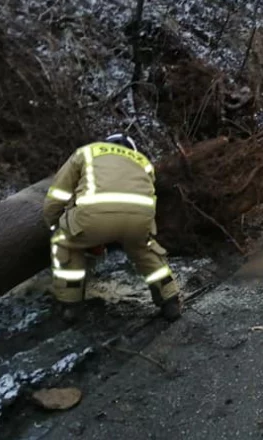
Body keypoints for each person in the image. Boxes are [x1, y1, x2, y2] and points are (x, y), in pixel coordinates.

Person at [43, 133, 182, 322]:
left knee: (65, 242)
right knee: (144, 250)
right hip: (138, 220)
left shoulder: (86, 152)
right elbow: (146, 196)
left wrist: (53, 223)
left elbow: (58, 194)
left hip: (93, 218)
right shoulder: (143, 162)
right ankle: (170, 299)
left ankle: (71, 306)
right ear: (131, 149)